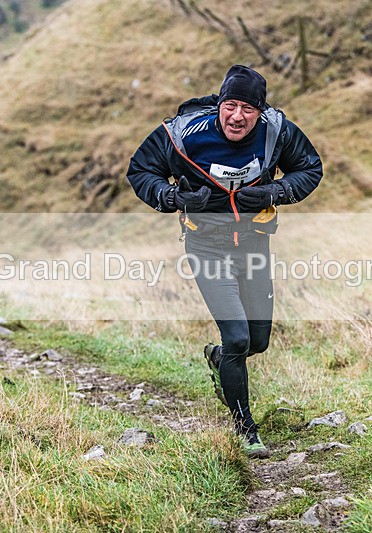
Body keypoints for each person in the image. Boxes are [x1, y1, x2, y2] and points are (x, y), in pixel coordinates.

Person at [127, 65, 323, 458]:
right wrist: (173, 199)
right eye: (230, 105)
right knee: (236, 338)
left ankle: (220, 361)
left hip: (253, 244)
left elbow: (309, 168)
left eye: (248, 109)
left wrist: (277, 191)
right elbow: (141, 170)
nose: (237, 116)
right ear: (219, 104)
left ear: (260, 111)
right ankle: (245, 429)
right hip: (207, 247)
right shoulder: (181, 134)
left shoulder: (277, 131)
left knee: (258, 341)